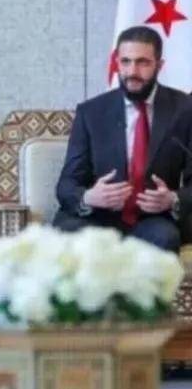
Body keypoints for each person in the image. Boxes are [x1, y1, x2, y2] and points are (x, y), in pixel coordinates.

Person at [53, 25, 192, 252]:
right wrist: (88, 197)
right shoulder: (91, 112)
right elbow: (67, 184)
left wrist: (173, 199)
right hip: (98, 217)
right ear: (116, 62)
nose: (132, 71)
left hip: (153, 218)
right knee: (68, 233)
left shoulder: (185, 109)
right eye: (125, 62)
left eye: (142, 62)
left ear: (159, 65)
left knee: (165, 237)